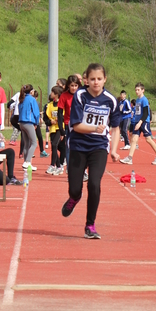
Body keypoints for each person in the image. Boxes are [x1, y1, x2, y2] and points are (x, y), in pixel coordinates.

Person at [61, 63, 121, 239]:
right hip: (78, 146)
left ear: (105, 80)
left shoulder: (111, 100)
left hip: (99, 147)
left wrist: (114, 150)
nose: (96, 82)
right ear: (86, 80)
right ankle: (74, 198)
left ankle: (90, 225)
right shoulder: (80, 95)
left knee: (94, 184)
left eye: (99, 79)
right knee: (75, 188)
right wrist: (95, 128)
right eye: (92, 79)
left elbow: (115, 127)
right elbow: (76, 125)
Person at [120, 83, 156, 166]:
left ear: (142, 90)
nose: (136, 91)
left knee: (148, 139)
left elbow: (146, 113)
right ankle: (129, 158)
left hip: (144, 122)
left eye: (138, 90)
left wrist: (140, 122)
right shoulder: (137, 100)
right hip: (137, 122)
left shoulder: (144, 100)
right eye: (136, 90)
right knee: (133, 139)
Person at [58, 75, 81, 168]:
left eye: (76, 85)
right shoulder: (64, 96)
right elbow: (60, 113)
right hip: (69, 125)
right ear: (68, 86)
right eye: (72, 85)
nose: (74, 88)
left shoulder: (81, 94)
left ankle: (82, 170)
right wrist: (61, 129)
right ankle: (69, 170)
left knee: (80, 148)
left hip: (81, 125)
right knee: (68, 148)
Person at [18, 84, 40, 171]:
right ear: (31, 91)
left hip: (22, 123)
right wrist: (36, 123)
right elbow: (36, 112)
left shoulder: (21, 99)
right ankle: (27, 161)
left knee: (26, 144)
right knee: (34, 143)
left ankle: (27, 164)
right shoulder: (32, 99)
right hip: (29, 122)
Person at [46, 85, 65, 176]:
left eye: (52, 92)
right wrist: (50, 121)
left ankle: (52, 165)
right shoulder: (50, 105)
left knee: (54, 145)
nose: (51, 94)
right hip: (53, 129)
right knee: (54, 147)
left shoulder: (62, 104)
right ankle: (59, 166)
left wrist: (59, 119)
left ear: (57, 94)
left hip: (60, 128)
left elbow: (64, 116)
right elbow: (46, 117)